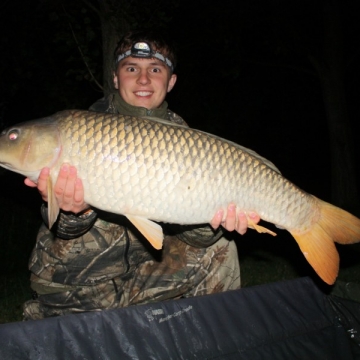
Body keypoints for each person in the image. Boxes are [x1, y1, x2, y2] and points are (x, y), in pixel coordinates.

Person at [22, 30, 260, 320]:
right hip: (76, 289)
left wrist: (217, 220)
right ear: (115, 78)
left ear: (171, 81)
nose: (143, 79)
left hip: (143, 277)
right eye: (131, 68)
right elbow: (60, 229)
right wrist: (74, 212)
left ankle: (212, 343)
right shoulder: (77, 132)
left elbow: (196, 236)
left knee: (220, 249)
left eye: (155, 69)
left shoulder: (189, 144)